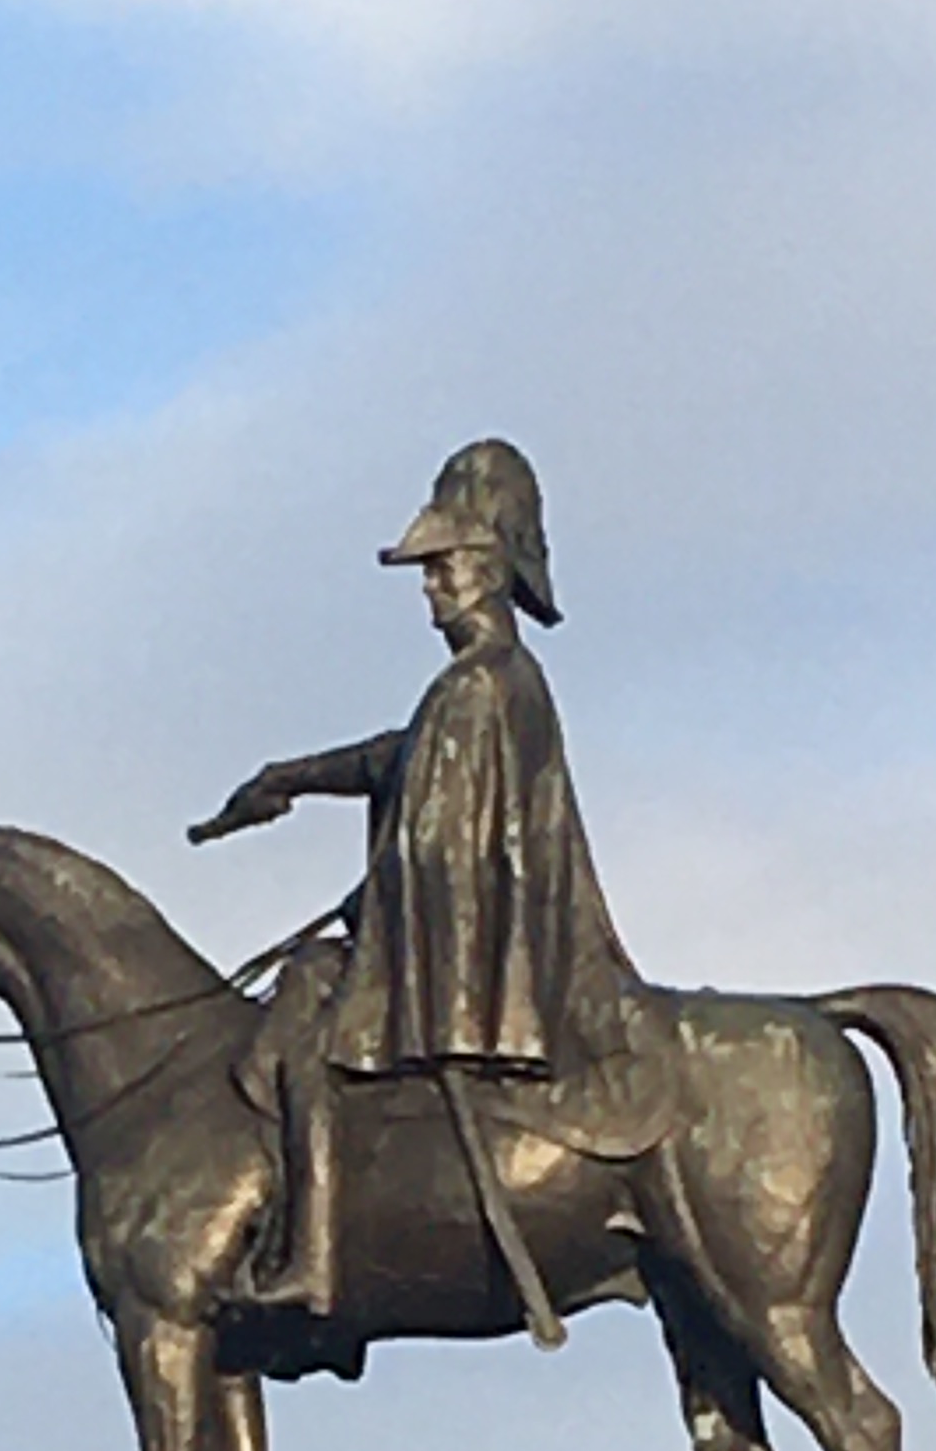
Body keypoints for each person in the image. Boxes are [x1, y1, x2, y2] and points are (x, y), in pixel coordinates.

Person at [190, 439, 642, 1331]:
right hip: (459, 925)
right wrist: (294, 775)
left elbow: (437, 847)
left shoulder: (478, 691)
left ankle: (311, 1262)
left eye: (443, 567)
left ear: (488, 567)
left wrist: (373, 904)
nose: (430, 587)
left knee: (303, 1009)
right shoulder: (483, 686)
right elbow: (401, 759)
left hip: (463, 955)